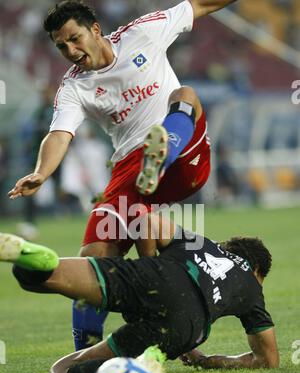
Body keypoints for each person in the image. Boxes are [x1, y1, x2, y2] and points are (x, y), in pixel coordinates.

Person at [8, 0, 237, 350]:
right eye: (61, 46)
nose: (70, 50)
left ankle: (160, 156)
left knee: (185, 94)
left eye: (74, 38)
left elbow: (201, 5)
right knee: (94, 261)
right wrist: (41, 172)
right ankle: (84, 357)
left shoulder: (143, 33)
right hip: (131, 171)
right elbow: (59, 134)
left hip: (183, 150)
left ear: (95, 29)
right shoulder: (74, 87)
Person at [0, 212, 279, 373]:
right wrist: (210, 361)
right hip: (185, 328)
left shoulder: (202, 243)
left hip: (152, 275)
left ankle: (38, 257)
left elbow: (147, 221)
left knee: (36, 277)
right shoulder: (252, 288)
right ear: (257, 271)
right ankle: (143, 366)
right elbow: (268, 360)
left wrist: (149, 285)